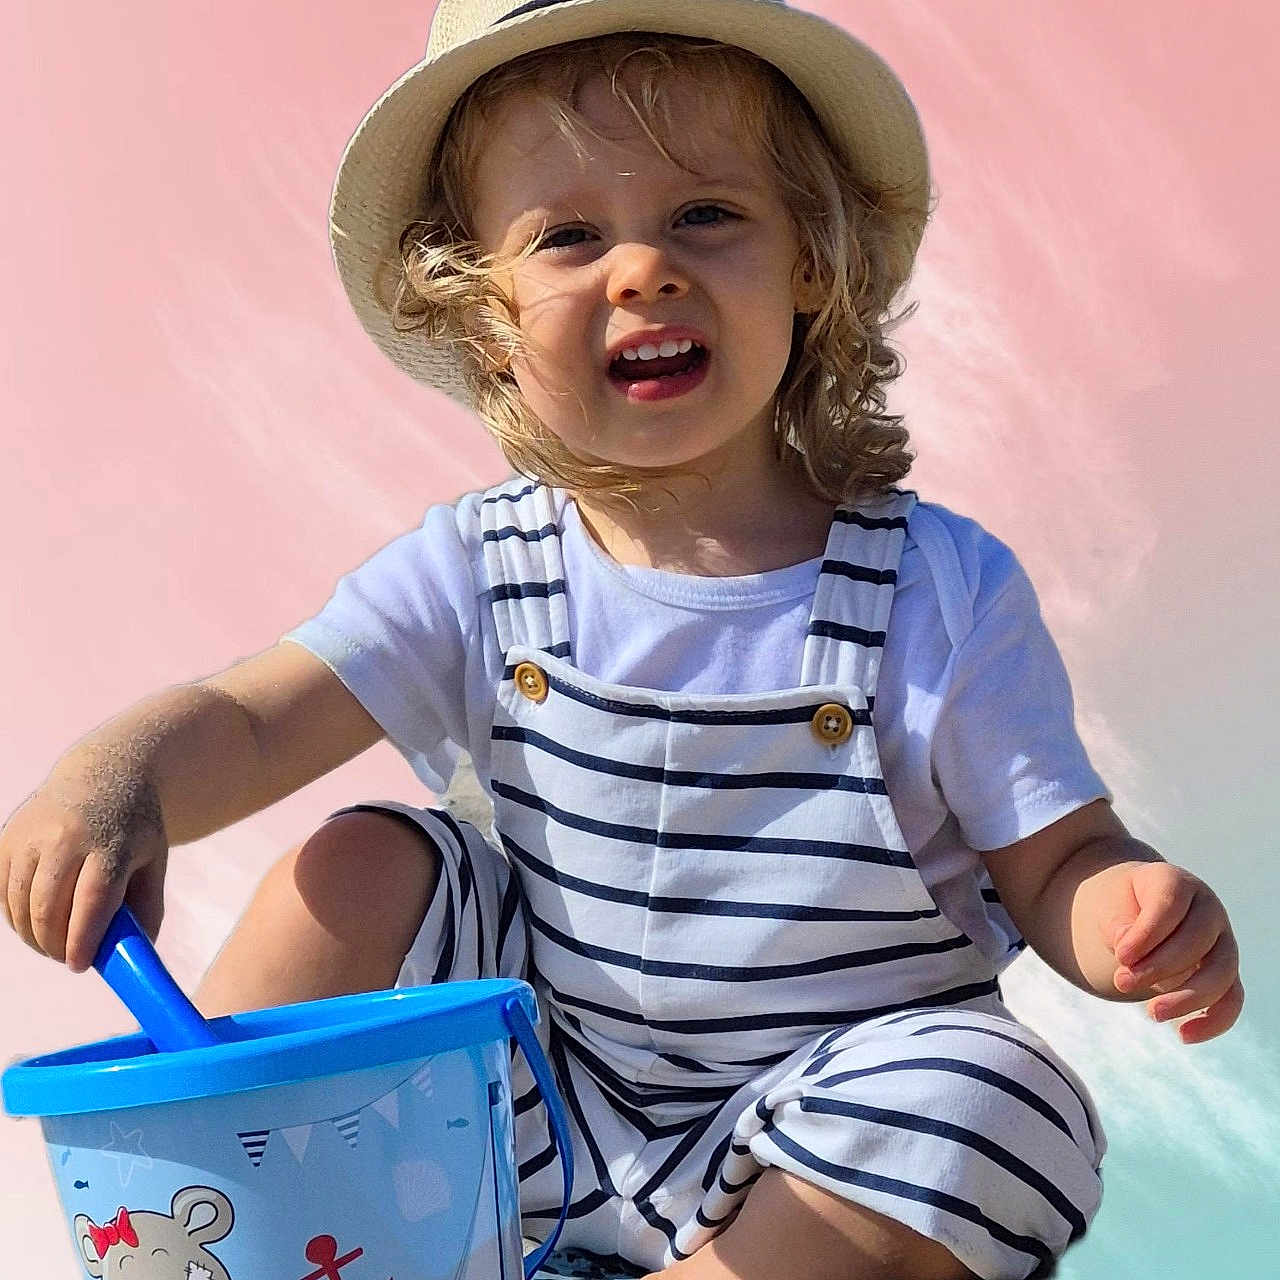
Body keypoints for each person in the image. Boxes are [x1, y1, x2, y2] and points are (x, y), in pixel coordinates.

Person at [0, 3, 1244, 1278]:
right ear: (484, 313)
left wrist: (1124, 914)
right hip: (523, 1110)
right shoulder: (479, 566)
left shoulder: (936, 589)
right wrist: (123, 774)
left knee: (999, 1092)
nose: (642, 267)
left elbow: (1055, 857)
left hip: (807, 1160)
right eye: (568, 236)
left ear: (810, 261)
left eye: (706, 213)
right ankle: (231, 1215)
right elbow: (263, 716)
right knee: (365, 860)